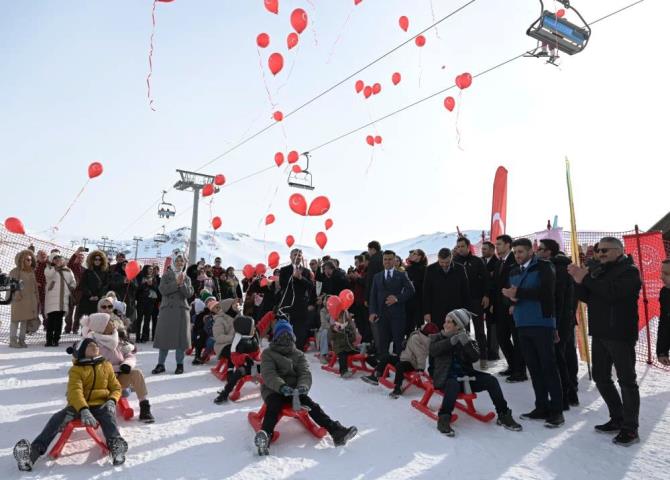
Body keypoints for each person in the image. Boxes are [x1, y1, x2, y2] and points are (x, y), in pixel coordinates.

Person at [569, 236, 642, 446]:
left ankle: (630, 428)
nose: (600, 254)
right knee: (601, 377)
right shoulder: (601, 270)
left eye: (605, 251)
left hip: (620, 335)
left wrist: (587, 278)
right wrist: (577, 281)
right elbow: (590, 297)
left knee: (627, 381)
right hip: (600, 333)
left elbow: (612, 293)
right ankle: (617, 417)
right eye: (598, 251)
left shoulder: (630, 271)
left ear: (619, 251)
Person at [12, 338, 128, 471]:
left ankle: (116, 448)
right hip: (78, 406)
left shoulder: (106, 365)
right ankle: (31, 455)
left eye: (96, 345)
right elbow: (75, 391)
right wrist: (84, 409)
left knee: (108, 417)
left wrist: (112, 400)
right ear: (82, 351)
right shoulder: (76, 370)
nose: (95, 347)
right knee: (58, 419)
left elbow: (116, 387)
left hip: (100, 404)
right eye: (90, 345)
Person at [254, 320, 358, 455]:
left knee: (312, 405)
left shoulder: (298, 354)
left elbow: (305, 373)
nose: (285, 338)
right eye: (282, 335)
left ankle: (337, 432)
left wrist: (302, 387)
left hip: (295, 392)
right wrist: (282, 387)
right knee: (274, 405)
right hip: (274, 389)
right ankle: (265, 436)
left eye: (288, 335)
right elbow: (269, 374)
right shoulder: (268, 353)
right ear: (276, 337)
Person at [429, 309, 522, 437]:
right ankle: (444, 418)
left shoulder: (467, 339)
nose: (445, 324)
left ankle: (503, 414)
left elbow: (474, 357)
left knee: (491, 381)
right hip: (446, 379)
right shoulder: (437, 337)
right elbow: (433, 350)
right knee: (453, 384)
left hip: (467, 378)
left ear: (458, 326)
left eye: (450, 322)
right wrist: (450, 342)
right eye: (446, 321)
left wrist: (465, 343)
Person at [503, 238, 563, 428]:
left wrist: (518, 293)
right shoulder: (513, 270)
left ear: (531, 251)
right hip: (522, 323)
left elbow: (547, 293)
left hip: (541, 322)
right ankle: (541, 406)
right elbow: (510, 295)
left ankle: (557, 411)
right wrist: (510, 301)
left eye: (521, 251)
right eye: (516, 252)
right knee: (534, 368)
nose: (518, 255)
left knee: (548, 367)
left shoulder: (545, 267)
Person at [81, 313, 154, 423]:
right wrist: (119, 367)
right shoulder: (93, 345)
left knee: (137, 373)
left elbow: (129, 355)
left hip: (117, 379)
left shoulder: (115, 338)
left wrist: (127, 364)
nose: (113, 323)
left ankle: (144, 407)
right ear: (102, 327)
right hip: (101, 384)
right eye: (109, 322)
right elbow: (98, 367)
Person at [537, 239, 580, 408]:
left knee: (558, 357)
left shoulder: (558, 269)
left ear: (549, 252)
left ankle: (565, 396)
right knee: (565, 355)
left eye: (541, 249)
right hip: (565, 320)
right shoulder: (561, 266)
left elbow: (558, 300)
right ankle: (570, 393)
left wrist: (554, 325)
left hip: (560, 321)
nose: (538, 252)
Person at [362, 322, 439, 398]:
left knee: (399, 366)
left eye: (424, 326)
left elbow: (421, 355)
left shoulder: (421, 340)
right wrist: (407, 343)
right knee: (387, 357)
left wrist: (420, 369)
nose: (422, 325)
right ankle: (376, 375)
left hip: (412, 363)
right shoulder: (419, 336)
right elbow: (413, 346)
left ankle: (398, 387)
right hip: (405, 357)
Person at [152, 250, 194, 375]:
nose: (180, 263)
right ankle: (161, 364)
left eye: (182, 261)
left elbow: (189, 294)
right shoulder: (166, 275)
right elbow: (163, 290)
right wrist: (176, 283)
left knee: (180, 341)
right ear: (174, 262)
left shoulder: (187, 277)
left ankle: (179, 365)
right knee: (164, 339)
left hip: (181, 311)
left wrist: (182, 285)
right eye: (178, 260)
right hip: (168, 311)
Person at [369, 250, 415, 355]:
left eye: (390, 259)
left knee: (398, 343)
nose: (387, 262)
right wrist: (372, 312)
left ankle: (399, 367)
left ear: (394, 260)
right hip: (381, 315)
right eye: (385, 259)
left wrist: (397, 298)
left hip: (397, 315)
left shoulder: (402, 275)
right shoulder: (377, 277)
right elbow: (373, 296)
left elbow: (411, 291)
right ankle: (383, 368)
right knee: (382, 343)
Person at [493, 235, 526, 382]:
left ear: (508, 245)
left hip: (514, 307)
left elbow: (517, 284)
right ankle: (512, 366)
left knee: (518, 340)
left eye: (499, 244)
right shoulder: (500, 262)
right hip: (501, 307)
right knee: (502, 337)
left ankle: (520, 371)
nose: (497, 247)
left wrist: (513, 304)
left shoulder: (515, 261)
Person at [454, 237, 490, 369]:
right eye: (458, 247)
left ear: (468, 247)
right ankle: (467, 359)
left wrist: (486, 295)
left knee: (480, 330)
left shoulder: (477, 261)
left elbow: (486, 280)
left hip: (476, 300)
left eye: (462, 246)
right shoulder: (454, 262)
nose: (460, 249)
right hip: (461, 302)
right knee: (464, 332)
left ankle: (483, 358)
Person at [422, 248, 470, 329]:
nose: (444, 265)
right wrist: (426, 312)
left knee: (456, 336)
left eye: (447, 262)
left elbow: (465, 290)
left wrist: (466, 310)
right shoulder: (430, 269)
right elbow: (426, 292)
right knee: (439, 336)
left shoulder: (460, 269)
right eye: (441, 262)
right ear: (438, 258)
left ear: (451, 258)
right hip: (437, 310)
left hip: (456, 310)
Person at [278, 248, 314, 350]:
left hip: (301, 306)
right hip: (287, 305)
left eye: (299, 255)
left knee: (300, 331)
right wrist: (293, 277)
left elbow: (311, 287)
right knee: (285, 330)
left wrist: (301, 278)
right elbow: (282, 285)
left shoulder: (306, 271)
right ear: (290, 257)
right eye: (295, 255)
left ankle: (298, 351)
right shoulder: (284, 270)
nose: (297, 257)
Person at [44, 252, 77, 347]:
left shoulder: (68, 270)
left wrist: (71, 287)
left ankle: (56, 339)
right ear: (52, 260)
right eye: (55, 258)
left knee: (59, 320)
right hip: (52, 299)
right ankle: (49, 340)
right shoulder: (49, 268)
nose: (57, 259)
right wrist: (55, 267)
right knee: (51, 320)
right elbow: (49, 275)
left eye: (59, 258)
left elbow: (73, 282)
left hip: (63, 299)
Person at [9, 249, 39, 348]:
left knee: (24, 321)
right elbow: (12, 284)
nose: (29, 261)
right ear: (21, 260)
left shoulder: (31, 271)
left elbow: (34, 287)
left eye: (30, 259)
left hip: (29, 300)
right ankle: (12, 340)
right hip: (19, 300)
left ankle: (22, 340)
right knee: (15, 320)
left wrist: (37, 298)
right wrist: (17, 293)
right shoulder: (15, 271)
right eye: (27, 259)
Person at [77, 250, 111, 334]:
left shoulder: (105, 272)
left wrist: (98, 295)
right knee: (86, 320)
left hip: (99, 300)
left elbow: (106, 285)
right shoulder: (87, 272)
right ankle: (85, 337)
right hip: (87, 299)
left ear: (102, 261)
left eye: (99, 259)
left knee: (98, 320)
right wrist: (90, 295)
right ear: (92, 260)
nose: (97, 261)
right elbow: (83, 285)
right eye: (95, 259)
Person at [481, 241, 501, 360]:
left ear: (492, 250)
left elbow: (496, 284)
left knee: (492, 326)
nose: (483, 251)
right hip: (482, 298)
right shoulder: (481, 261)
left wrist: (493, 302)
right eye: (482, 249)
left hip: (493, 300)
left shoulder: (497, 263)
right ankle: (487, 349)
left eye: (485, 249)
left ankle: (493, 351)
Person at [64, 247, 86, 334]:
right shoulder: (71, 266)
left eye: (82, 258)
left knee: (78, 313)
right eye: (78, 257)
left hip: (80, 293)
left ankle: (75, 328)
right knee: (69, 312)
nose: (80, 259)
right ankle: (67, 328)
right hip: (71, 292)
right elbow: (71, 261)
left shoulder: (85, 270)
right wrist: (77, 252)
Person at [405, 249, 427, 335]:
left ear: (420, 257)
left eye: (414, 254)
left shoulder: (425, 269)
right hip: (409, 300)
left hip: (420, 300)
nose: (411, 255)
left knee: (419, 324)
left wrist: (414, 283)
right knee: (408, 325)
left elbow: (425, 285)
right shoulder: (408, 269)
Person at [330, 310, 358, 378]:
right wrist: (335, 331)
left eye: (343, 318)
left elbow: (354, 338)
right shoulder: (334, 327)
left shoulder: (348, 326)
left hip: (349, 347)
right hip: (339, 348)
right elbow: (331, 337)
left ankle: (375, 365)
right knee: (343, 356)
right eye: (340, 318)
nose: (341, 320)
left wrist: (350, 334)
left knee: (361, 353)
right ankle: (344, 372)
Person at [136, 265, 160, 343]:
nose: (151, 270)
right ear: (145, 269)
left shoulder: (154, 278)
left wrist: (151, 284)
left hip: (150, 301)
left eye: (152, 269)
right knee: (139, 319)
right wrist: (144, 283)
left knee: (147, 320)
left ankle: (144, 337)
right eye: (149, 269)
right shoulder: (140, 277)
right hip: (141, 300)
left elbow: (156, 289)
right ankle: (137, 337)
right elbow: (137, 288)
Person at [213, 298, 239, 363]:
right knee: (235, 351)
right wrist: (233, 338)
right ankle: (231, 369)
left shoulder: (238, 317)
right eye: (234, 304)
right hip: (223, 346)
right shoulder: (220, 320)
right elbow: (218, 337)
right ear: (228, 307)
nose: (237, 305)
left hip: (237, 343)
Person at [658, 259, 670, 366]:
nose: (661, 277)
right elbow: (664, 324)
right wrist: (662, 351)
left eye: (666, 274)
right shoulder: (665, 292)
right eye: (662, 273)